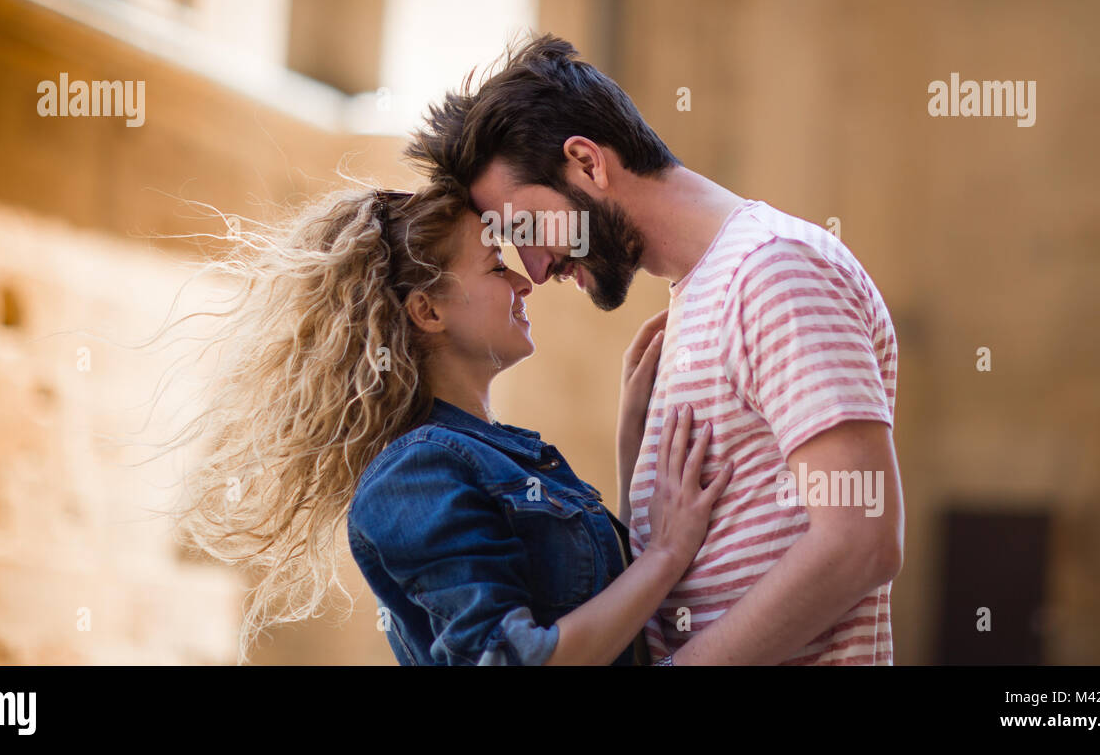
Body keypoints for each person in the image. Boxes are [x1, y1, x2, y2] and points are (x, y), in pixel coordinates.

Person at [405, 33, 905, 665]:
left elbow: (861, 542)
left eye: (524, 226)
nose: (533, 267)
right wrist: (632, 459)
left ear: (587, 162)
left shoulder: (775, 270)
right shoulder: (699, 297)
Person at [170, 180, 732, 665]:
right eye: (495, 267)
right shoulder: (415, 471)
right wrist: (664, 558)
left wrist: (634, 438)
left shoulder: (497, 453)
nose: (525, 283)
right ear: (428, 311)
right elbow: (518, 658)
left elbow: (614, 617)